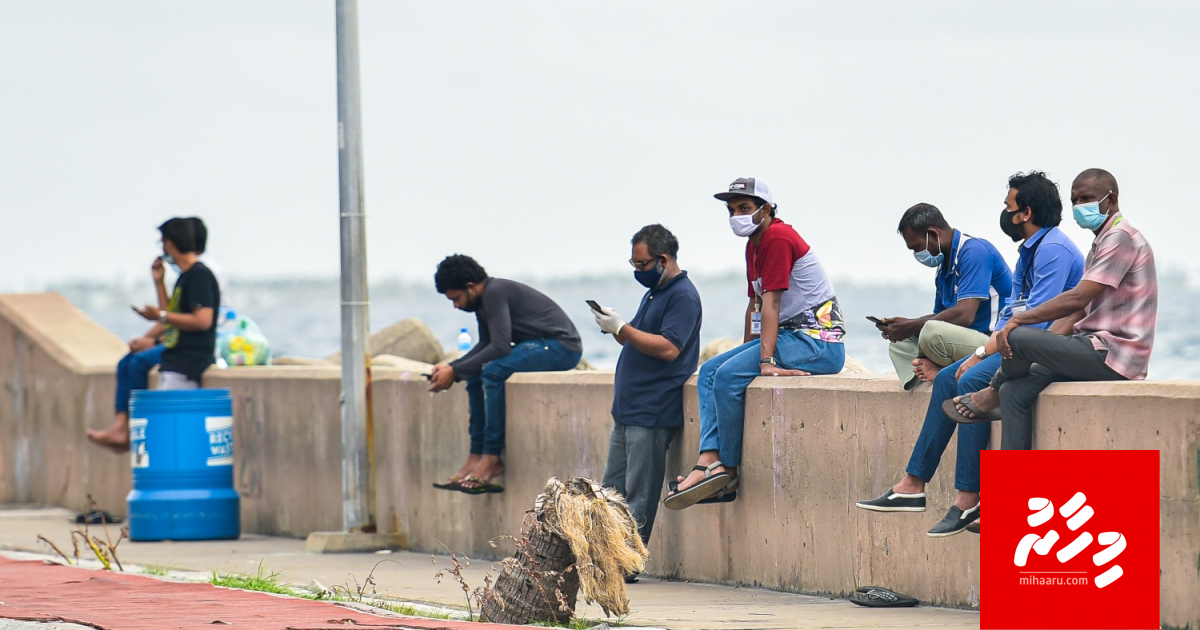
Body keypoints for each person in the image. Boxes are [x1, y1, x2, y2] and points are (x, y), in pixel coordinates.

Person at [857, 171, 1085, 537]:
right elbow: (1014, 316)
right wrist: (979, 351)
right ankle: (915, 485)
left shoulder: (1053, 251)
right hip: (1015, 341)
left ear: (1025, 212)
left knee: (971, 377)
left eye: (1008, 207)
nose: (1004, 213)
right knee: (951, 376)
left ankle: (966, 497)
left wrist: (978, 354)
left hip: (1041, 346)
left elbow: (1035, 321)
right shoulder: (1029, 252)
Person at [663, 177, 846, 510]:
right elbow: (757, 305)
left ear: (766, 210)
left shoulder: (777, 237)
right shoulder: (754, 244)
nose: (737, 216)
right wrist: (745, 350)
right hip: (789, 337)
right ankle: (708, 460)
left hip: (818, 342)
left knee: (729, 377)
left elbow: (773, 303)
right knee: (710, 372)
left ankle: (727, 473)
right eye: (732, 210)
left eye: (744, 208)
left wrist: (765, 363)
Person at [945, 169, 1156, 450]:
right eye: (1076, 200)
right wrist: (1044, 348)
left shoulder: (1121, 237)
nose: (1081, 206)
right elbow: (1076, 314)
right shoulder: (1100, 243)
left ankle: (990, 392)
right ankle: (1013, 487)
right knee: (1015, 391)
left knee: (1018, 337)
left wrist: (1017, 323)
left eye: (1088, 199)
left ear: (1112, 199)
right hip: (1089, 346)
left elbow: (1077, 299)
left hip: (1115, 353)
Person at [428, 255, 583, 494]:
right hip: (535, 345)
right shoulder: (483, 300)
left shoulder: (494, 292)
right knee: (476, 374)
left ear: (470, 287)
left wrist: (455, 370)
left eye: (456, 298)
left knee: (492, 371)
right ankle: (476, 455)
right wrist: (454, 367)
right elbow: (487, 344)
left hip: (561, 347)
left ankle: (492, 458)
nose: (456, 306)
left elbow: (500, 347)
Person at [592, 224, 702, 555]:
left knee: (639, 493)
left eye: (642, 265)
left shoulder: (682, 295)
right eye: (634, 265)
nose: (638, 271)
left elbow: (669, 348)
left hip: (652, 411)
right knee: (611, 490)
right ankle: (608, 557)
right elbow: (642, 339)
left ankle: (629, 561)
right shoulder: (655, 292)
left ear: (663, 259)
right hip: (628, 409)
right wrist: (616, 326)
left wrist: (623, 329)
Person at [87, 217, 224, 452]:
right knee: (128, 363)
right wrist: (159, 283)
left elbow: (202, 321)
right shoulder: (185, 276)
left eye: (163, 241)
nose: (162, 247)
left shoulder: (200, 275)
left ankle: (126, 430)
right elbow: (172, 314)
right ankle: (123, 427)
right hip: (175, 356)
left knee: (171, 439)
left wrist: (160, 316)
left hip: (188, 362)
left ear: (170, 243)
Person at [877, 204, 1013, 390]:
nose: (918, 255)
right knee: (899, 343)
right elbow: (941, 316)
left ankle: (941, 370)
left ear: (933, 234)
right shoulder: (943, 269)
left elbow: (964, 315)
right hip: (961, 342)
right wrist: (905, 326)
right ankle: (932, 373)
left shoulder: (974, 252)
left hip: (991, 343)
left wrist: (911, 326)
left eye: (917, 247)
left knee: (930, 331)